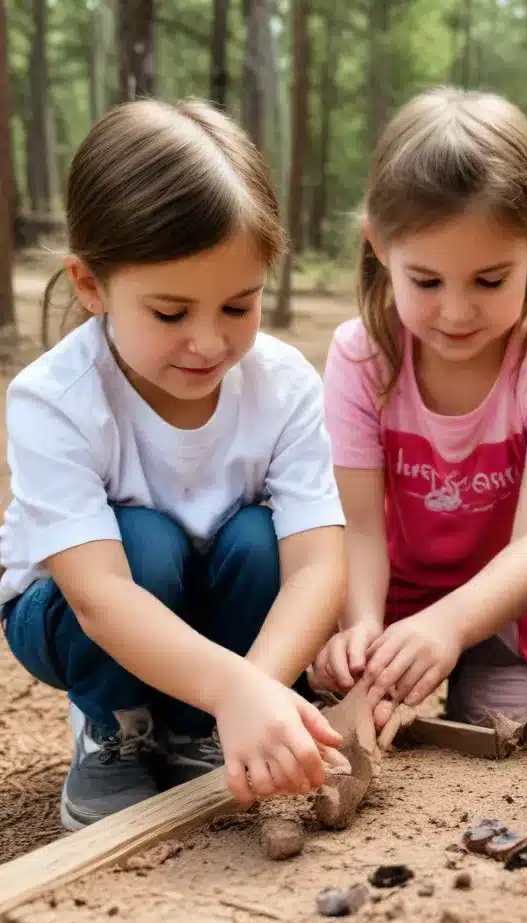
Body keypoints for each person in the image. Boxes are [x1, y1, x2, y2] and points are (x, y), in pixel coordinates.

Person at [1, 99, 349, 831]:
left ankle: (198, 728)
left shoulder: (284, 387)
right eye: (169, 313)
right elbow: (98, 596)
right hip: (73, 616)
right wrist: (239, 690)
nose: (207, 342)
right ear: (92, 285)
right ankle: (117, 728)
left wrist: (252, 689)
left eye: (238, 306)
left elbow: (318, 564)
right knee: (144, 544)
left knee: (263, 539)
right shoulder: (52, 399)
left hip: (219, 611)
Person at [310, 88, 527, 728]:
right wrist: (361, 632)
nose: (458, 311)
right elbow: (357, 526)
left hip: (514, 603)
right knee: (343, 701)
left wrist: (450, 624)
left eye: (490, 280)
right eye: (427, 281)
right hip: (395, 590)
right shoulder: (360, 359)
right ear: (380, 247)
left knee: (481, 729)